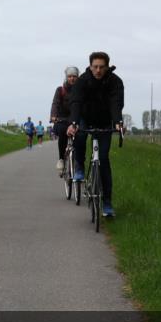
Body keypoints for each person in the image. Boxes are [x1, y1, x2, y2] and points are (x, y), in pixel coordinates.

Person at [66, 52, 125, 217]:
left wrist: (118, 122)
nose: (98, 70)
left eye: (101, 67)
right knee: (79, 135)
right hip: (85, 118)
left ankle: (107, 203)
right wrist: (73, 123)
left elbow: (116, 103)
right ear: (90, 66)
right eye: (95, 67)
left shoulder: (115, 82)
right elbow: (76, 102)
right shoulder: (82, 81)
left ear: (107, 67)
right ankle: (79, 165)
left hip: (105, 121)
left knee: (104, 160)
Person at [51, 66, 79, 174]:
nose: (72, 78)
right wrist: (53, 116)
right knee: (63, 131)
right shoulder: (60, 90)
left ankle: (78, 161)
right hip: (62, 119)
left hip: (75, 119)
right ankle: (61, 159)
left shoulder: (80, 90)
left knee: (80, 135)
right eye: (70, 76)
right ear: (66, 77)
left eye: (74, 76)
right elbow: (55, 104)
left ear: (78, 77)